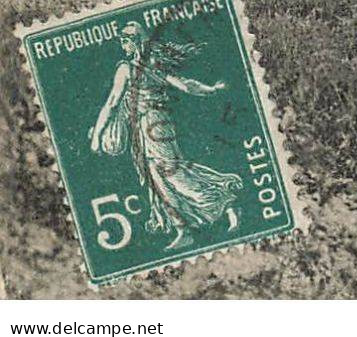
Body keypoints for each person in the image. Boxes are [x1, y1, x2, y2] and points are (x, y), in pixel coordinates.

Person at [87, 21, 243, 251]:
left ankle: (225, 202)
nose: (123, 44)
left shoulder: (127, 69)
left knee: (171, 173)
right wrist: (211, 89)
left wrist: (97, 135)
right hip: (156, 124)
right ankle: (184, 229)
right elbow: (187, 86)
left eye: (126, 39)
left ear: (136, 42)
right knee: (158, 178)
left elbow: (112, 103)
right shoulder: (154, 66)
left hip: (151, 125)